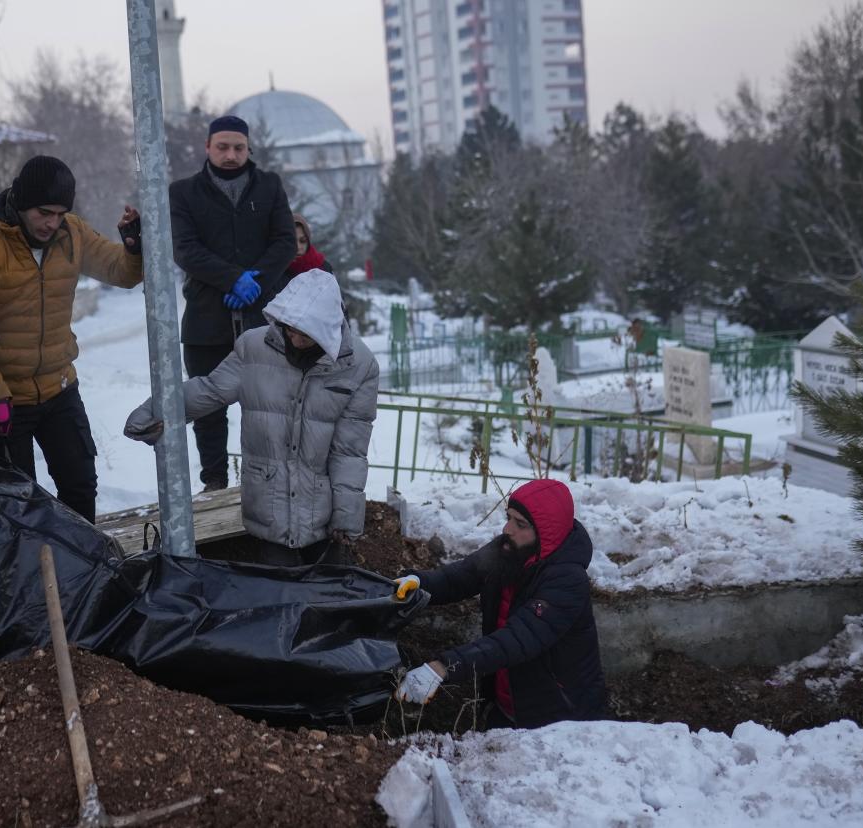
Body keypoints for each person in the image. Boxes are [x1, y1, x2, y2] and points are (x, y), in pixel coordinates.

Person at [125, 269, 378, 565]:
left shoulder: (358, 366)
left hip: (320, 507)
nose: (294, 339)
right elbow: (210, 390)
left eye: (305, 335)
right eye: (289, 328)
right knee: (276, 594)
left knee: (330, 594)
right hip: (268, 503)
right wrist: (157, 412)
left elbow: (349, 450)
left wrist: (346, 517)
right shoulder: (255, 348)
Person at [0, 155, 143, 523]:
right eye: (43, 212)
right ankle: (32, 578)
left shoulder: (73, 233)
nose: (52, 223)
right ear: (21, 202)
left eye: (60, 213)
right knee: (17, 504)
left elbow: (120, 271)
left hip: (59, 388)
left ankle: (83, 571)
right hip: (3, 398)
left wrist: (134, 248)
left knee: (80, 485)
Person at [393, 478, 606, 729]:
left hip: (561, 721)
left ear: (546, 535)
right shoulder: (510, 550)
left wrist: (442, 667)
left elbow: (516, 640)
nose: (507, 529)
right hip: (507, 708)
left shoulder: (567, 581)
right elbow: (460, 577)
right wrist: (418, 582)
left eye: (520, 524)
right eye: (509, 518)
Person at [169, 114, 295, 492]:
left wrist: (255, 280)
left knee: (270, 408)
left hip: (264, 320)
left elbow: (285, 241)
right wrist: (231, 279)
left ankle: (269, 484)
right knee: (207, 407)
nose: (230, 154)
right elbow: (184, 248)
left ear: (248, 149)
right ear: (207, 148)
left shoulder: (270, 186)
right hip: (207, 321)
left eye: (238, 147)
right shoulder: (183, 192)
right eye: (222, 147)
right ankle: (215, 484)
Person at [285, 213, 333, 283]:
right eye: (292, 241)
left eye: (303, 240)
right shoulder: (276, 271)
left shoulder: (324, 268)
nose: (298, 247)